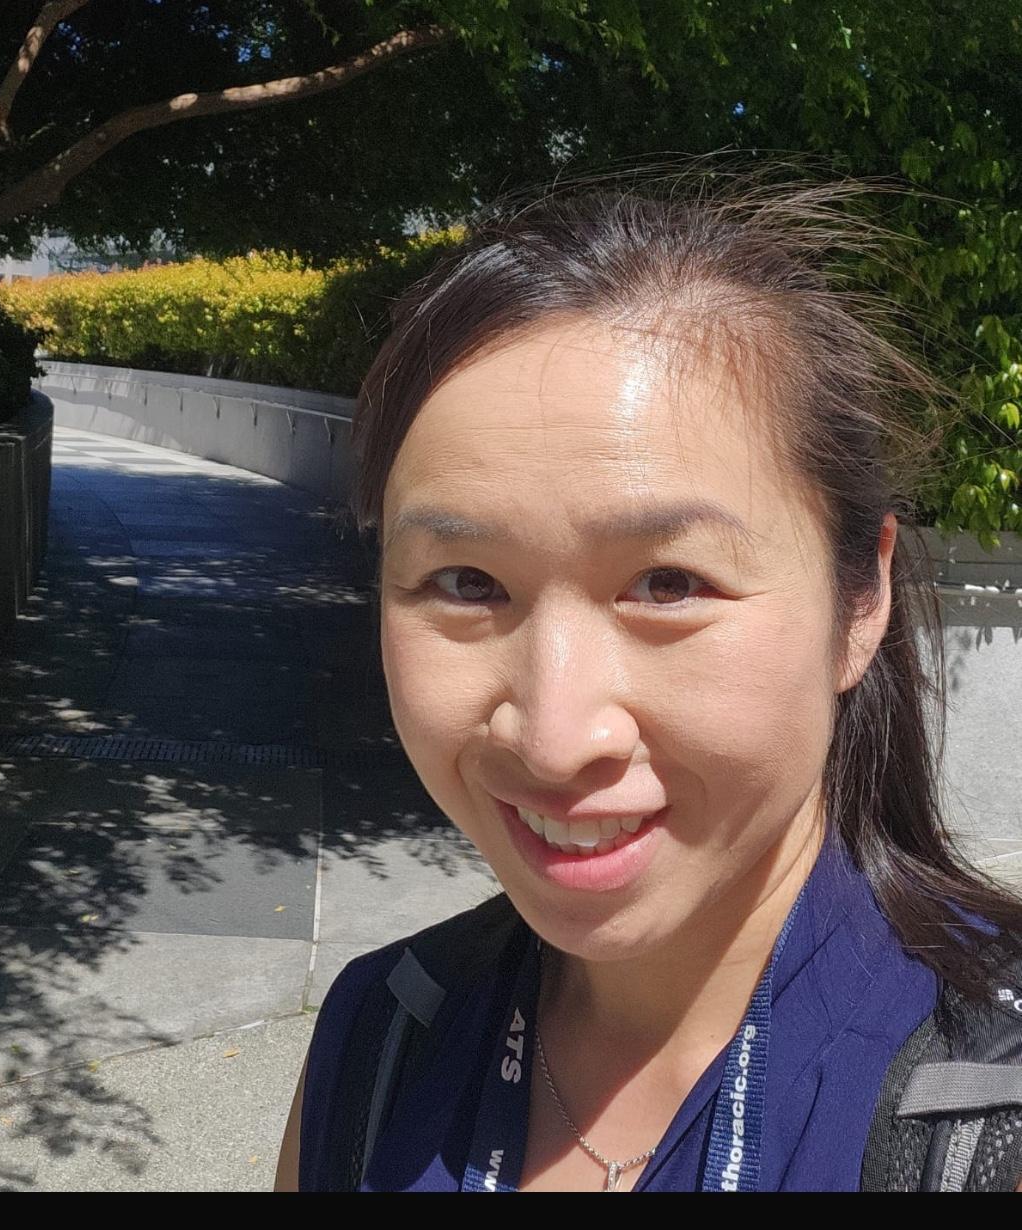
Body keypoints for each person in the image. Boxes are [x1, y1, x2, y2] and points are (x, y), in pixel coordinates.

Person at [274, 159, 1022, 1192]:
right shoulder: (380, 1042)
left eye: (669, 584)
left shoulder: (986, 1113)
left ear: (861, 600)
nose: (553, 738)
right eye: (466, 582)